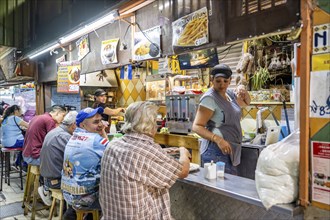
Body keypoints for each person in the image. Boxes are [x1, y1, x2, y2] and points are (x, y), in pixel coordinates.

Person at [100, 101, 191, 219]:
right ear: (149, 124)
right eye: (156, 122)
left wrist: (173, 150)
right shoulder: (145, 150)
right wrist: (183, 151)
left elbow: (144, 157)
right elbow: (183, 171)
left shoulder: (114, 144)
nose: (157, 126)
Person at [192, 64, 251, 175]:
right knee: (218, 189)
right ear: (212, 80)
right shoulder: (209, 99)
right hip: (215, 151)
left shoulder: (228, 94)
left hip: (231, 151)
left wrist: (243, 90)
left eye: (225, 81)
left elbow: (246, 102)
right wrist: (218, 140)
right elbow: (196, 126)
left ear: (230, 80)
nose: (222, 84)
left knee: (228, 188)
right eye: (218, 81)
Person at [61, 107, 108, 210]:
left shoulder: (73, 137)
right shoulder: (96, 140)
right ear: (82, 125)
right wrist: (103, 132)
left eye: (101, 120)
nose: (101, 124)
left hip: (67, 194)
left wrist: (100, 131)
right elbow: (111, 153)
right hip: (84, 199)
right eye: (96, 122)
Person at [39, 111, 78, 207]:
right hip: (55, 181)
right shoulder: (65, 137)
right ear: (73, 125)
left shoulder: (56, 131)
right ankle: (71, 213)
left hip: (47, 176)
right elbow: (77, 158)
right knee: (92, 186)